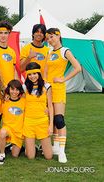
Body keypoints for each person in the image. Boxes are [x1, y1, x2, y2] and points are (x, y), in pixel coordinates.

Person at [45, 28, 81, 163]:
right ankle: (54, 146)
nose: (50, 40)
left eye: (52, 37)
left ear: (58, 36)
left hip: (59, 89)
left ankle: (61, 151)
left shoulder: (65, 51)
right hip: (48, 89)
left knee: (59, 119)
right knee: (50, 118)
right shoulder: (49, 52)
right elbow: (46, 71)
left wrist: (63, 79)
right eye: (48, 38)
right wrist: (44, 85)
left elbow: (78, 68)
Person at [23, 62, 53, 160]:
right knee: (30, 156)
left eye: (35, 73)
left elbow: (50, 106)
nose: (32, 76)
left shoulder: (47, 86)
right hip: (29, 122)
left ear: (39, 73)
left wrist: (51, 125)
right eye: (30, 74)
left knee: (49, 157)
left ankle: (40, 146)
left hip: (42, 121)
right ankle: (31, 147)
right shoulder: (25, 87)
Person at [0, 79, 25, 165]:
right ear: (8, 89)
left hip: (18, 132)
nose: (14, 92)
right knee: (2, 132)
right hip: (7, 129)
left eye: (17, 90)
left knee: (14, 155)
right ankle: (2, 154)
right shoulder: (4, 102)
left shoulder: (24, 101)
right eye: (12, 89)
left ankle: (11, 146)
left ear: (20, 91)